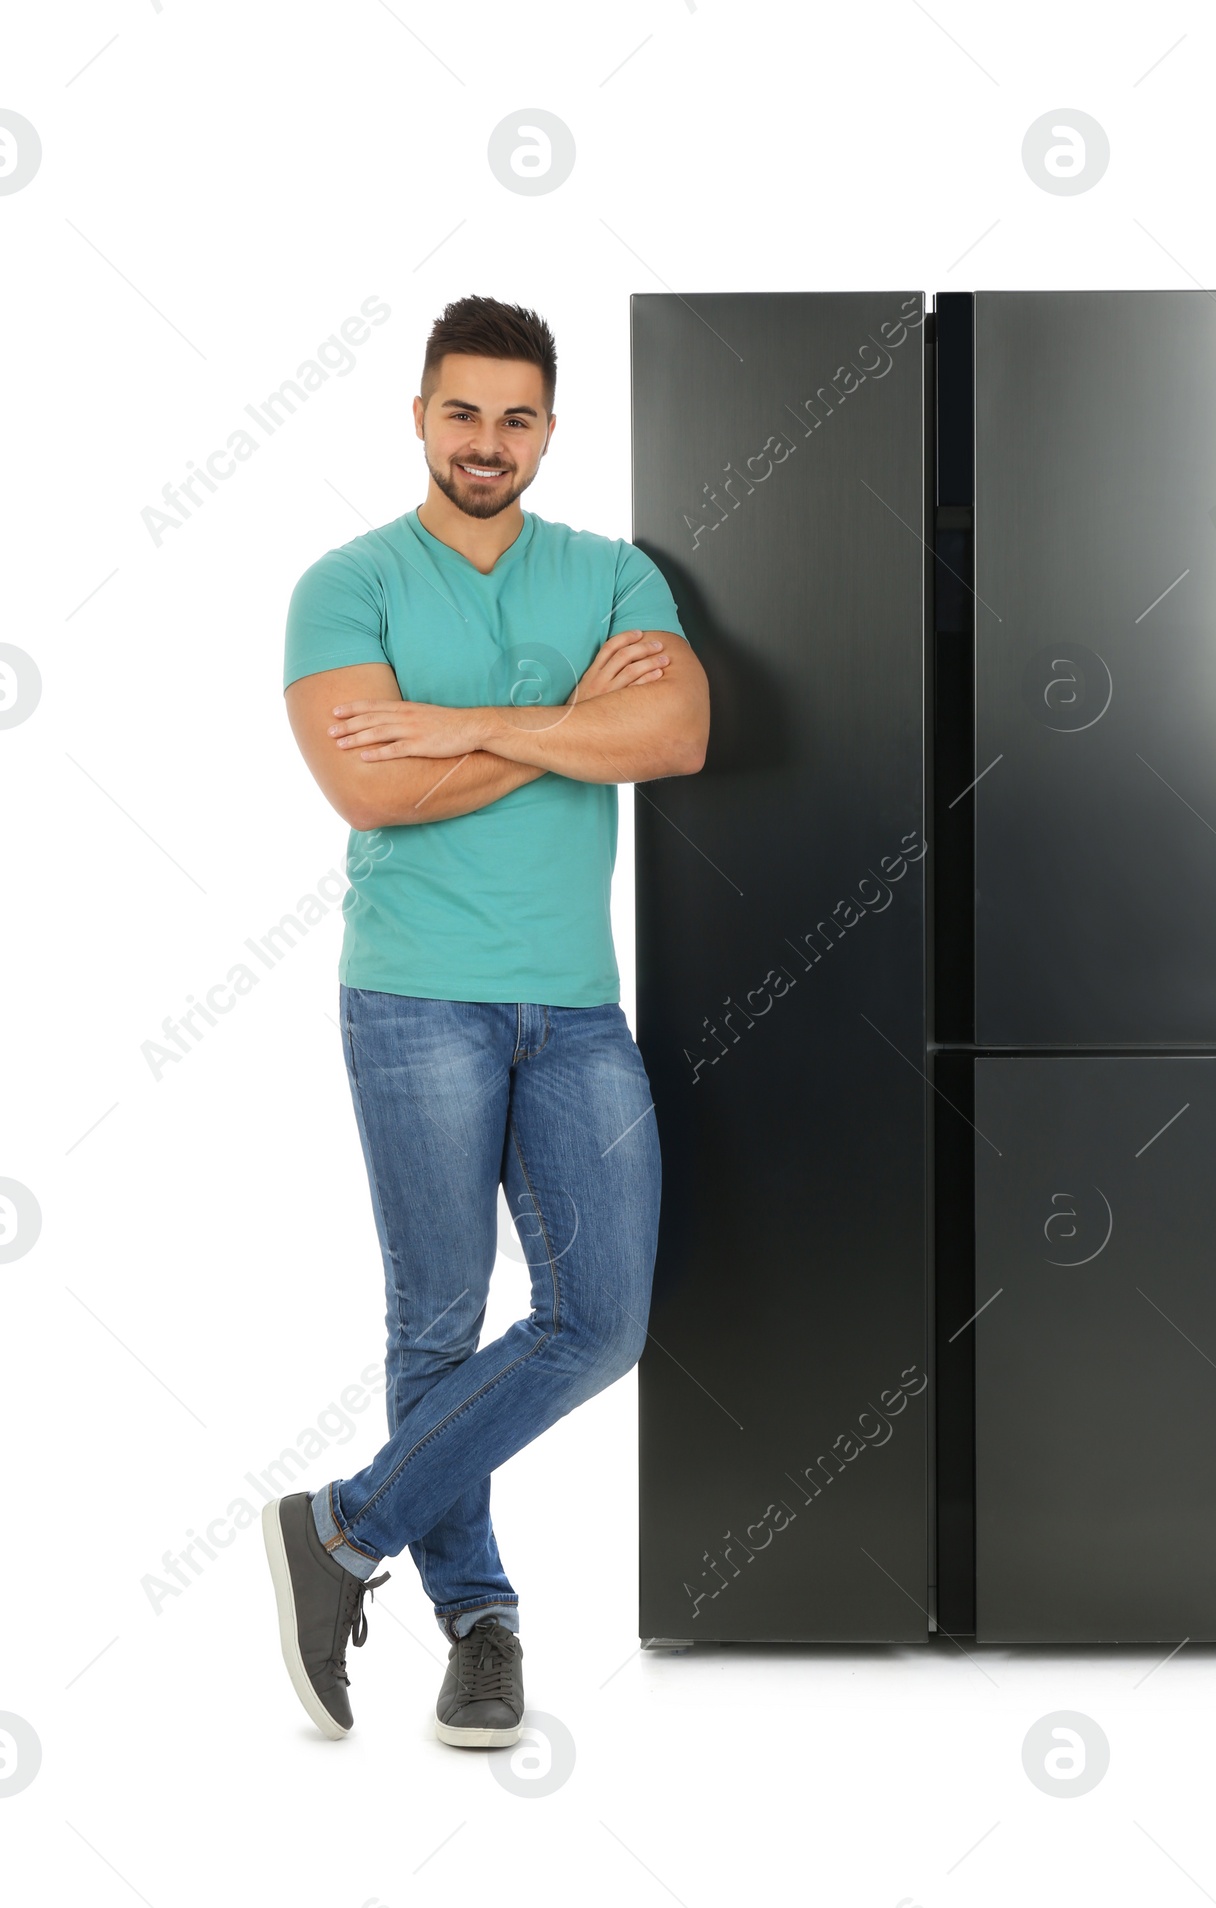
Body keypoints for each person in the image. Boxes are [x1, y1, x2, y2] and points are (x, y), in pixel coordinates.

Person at [262, 293, 709, 1748]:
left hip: (577, 1007)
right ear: (418, 415)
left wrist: (458, 721)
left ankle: (340, 1532)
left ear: (549, 432)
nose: (488, 441)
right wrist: (564, 724)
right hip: (412, 997)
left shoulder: (613, 573)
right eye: (464, 411)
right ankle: (481, 1624)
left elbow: (678, 736)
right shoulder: (348, 583)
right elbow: (370, 789)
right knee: (440, 1324)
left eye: (518, 416)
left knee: (602, 1320)